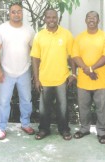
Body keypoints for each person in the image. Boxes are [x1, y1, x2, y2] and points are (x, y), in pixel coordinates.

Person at [30, 9, 76, 140]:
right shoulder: (39, 36)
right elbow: (35, 58)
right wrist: (37, 79)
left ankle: (64, 130)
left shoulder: (66, 34)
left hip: (62, 78)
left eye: (54, 17)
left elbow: (72, 56)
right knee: (44, 108)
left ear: (58, 18)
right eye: (49, 17)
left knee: (63, 107)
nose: (51, 20)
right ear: (44, 19)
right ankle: (44, 130)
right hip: (45, 79)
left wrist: (74, 73)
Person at [0, 2, 35, 139]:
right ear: (9, 13)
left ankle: (26, 124)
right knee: (4, 101)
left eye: (19, 11)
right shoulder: (1, 29)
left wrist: (34, 72)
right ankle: (1, 127)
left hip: (24, 71)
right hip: (6, 72)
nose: (16, 14)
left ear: (22, 13)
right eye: (13, 12)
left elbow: (33, 51)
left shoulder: (29, 30)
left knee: (26, 100)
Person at [71, 11, 105, 144]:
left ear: (98, 20)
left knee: (102, 108)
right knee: (83, 107)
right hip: (83, 81)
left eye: (94, 17)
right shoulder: (79, 38)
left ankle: (102, 132)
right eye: (89, 17)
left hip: (101, 81)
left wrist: (91, 68)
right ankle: (84, 129)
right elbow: (75, 56)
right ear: (85, 20)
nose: (91, 20)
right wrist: (88, 70)